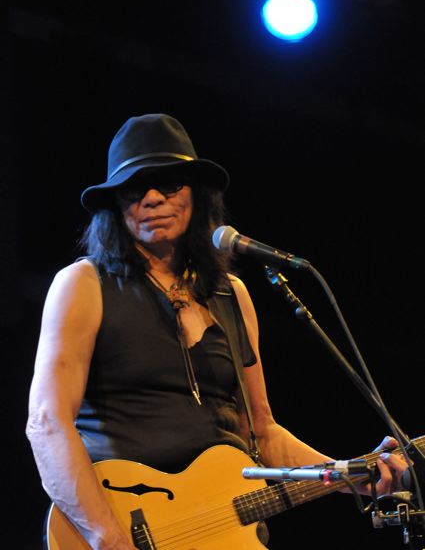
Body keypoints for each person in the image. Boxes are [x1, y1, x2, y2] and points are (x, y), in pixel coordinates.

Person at [26, 113, 407, 550]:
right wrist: (107, 537)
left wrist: (349, 475)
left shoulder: (231, 296)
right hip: (124, 521)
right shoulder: (84, 284)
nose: (152, 198)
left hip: (225, 526)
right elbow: (46, 422)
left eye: (168, 184)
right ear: (115, 204)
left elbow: (262, 433)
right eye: (134, 188)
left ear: (197, 193)